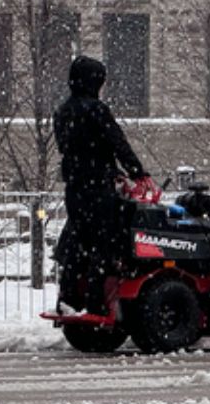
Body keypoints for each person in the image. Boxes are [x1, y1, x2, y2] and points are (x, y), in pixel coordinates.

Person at [52, 55, 155, 314]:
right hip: (98, 187)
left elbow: (75, 149)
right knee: (103, 243)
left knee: (78, 240)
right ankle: (96, 301)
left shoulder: (63, 112)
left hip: (75, 187)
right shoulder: (96, 110)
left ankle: (68, 297)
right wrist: (136, 171)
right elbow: (115, 142)